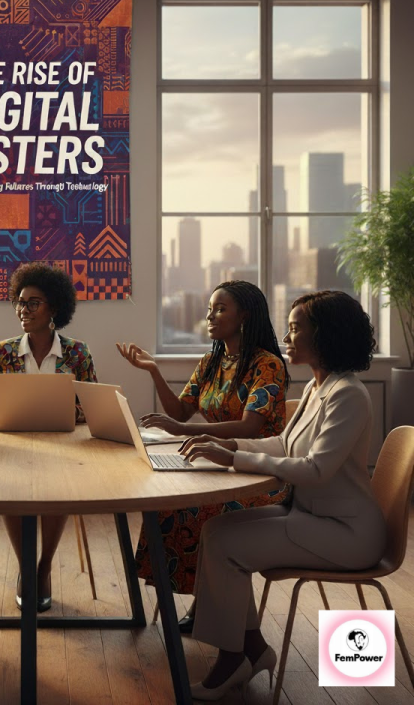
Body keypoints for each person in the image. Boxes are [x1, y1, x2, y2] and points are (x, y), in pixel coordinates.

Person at [182, 290, 384, 700]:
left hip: (345, 533)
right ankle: (250, 650)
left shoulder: (348, 394)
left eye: (295, 329)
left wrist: (235, 460)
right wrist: (228, 449)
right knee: (215, 530)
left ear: (324, 336)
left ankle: (233, 658)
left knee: (227, 545)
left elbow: (315, 468)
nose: (287, 338)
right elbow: (283, 445)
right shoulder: (317, 387)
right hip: (311, 517)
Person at [117, 280, 289, 631]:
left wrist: (186, 432)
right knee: (166, 502)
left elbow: (247, 427)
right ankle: (203, 598)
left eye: (220, 308)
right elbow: (180, 412)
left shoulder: (267, 365)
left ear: (245, 316)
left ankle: (207, 604)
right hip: (217, 465)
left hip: (259, 474)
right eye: (210, 308)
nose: (210, 315)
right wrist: (153, 371)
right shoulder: (212, 360)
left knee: (201, 510)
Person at [0, 262, 97, 612]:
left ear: (54, 309)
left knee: (58, 487)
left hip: (64, 447)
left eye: (33, 303)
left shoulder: (78, 353)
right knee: (8, 487)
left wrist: (65, 411)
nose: (23, 310)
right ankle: (24, 566)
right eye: (19, 302)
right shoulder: (4, 351)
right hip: (13, 445)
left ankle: (44, 566)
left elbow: (93, 406)